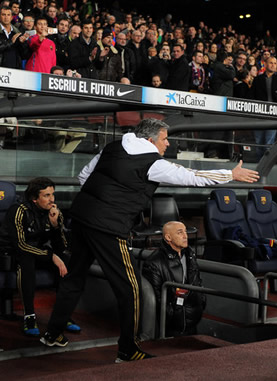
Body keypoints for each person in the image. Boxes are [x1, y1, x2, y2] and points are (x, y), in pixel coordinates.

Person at [41, 118, 259, 362]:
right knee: (132, 289)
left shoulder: (112, 147)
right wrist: (230, 173)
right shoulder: (153, 163)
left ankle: (52, 334)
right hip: (108, 227)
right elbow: (192, 176)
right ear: (150, 140)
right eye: (165, 139)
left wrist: (99, 203)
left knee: (74, 277)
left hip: (81, 218)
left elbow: (84, 176)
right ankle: (127, 350)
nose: (168, 144)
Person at [3, 177, 80, 337]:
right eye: (46, 195)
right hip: (9, 254)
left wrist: (55, 225)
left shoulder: (53, 213)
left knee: (65, 261)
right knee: (27, 260)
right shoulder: (18, 210)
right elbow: (21, 245)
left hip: (38, 251)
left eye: (52, 194)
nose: (52, 199)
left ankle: (62, 315)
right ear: (34, 198)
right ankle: (29, 316)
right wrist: (51, 256)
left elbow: (62, 247)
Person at [142, 221, 205, 337]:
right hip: (170, 328)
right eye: (180, 233)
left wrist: (201, 300)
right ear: (168, 237)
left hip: (193, 322)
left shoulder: (190, 255)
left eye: (185, 232)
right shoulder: (154, 263)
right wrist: (174, 312)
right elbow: (156, 299)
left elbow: (198, 282)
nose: (186, 236)